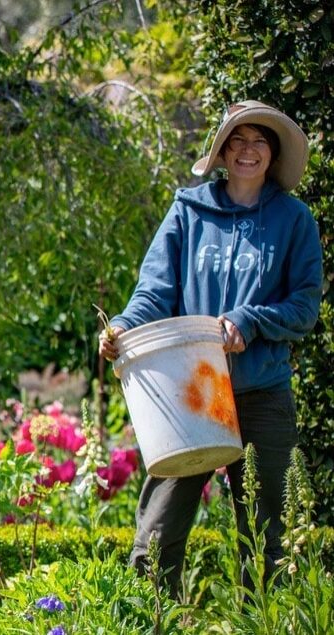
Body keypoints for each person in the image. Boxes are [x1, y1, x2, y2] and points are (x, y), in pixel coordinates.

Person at [99, 100, 321, 595]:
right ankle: (153, 620)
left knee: (268, 536)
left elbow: (305, 307)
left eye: (259, 141)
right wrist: (122, 330)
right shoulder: (188, 210)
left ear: (273, 153)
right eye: (237, 140)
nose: (248, 150)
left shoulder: (293, 220)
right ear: (221, 152)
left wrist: (251, 321)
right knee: (158, 531)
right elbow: (153, 294)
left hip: (262, 392)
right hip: (191, 392)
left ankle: (262, 624)